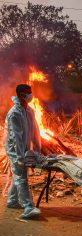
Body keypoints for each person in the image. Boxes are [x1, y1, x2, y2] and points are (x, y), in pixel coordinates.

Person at [4, 84, 41, 219]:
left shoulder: (29, 110)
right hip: (14, 150)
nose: (30, 95)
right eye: (27, 93)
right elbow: (15, 137)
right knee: (21, 177)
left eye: (31, 92)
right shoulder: (14, 113)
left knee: (18, 175)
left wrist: (37, 148)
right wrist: (19, 157)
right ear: (20, 95)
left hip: (25, 148)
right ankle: (28, 207)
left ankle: (12, 201)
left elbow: (35, 130)